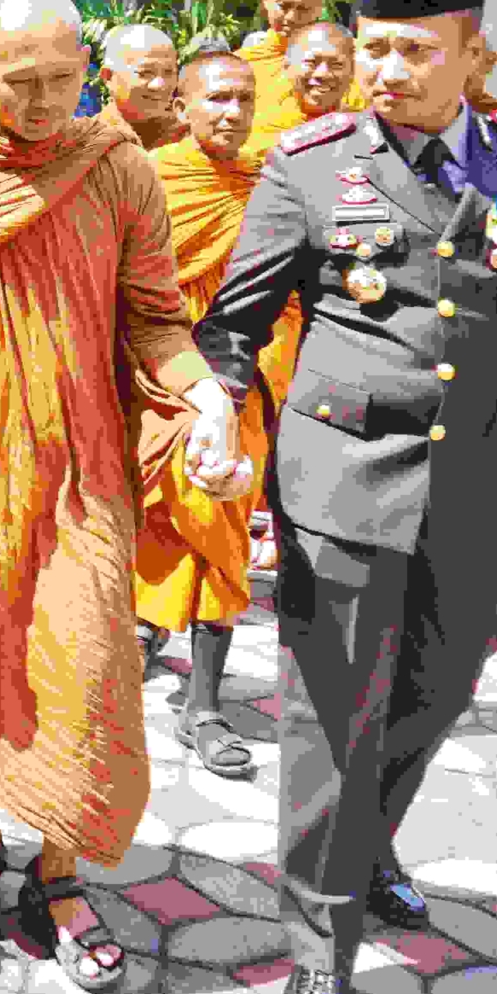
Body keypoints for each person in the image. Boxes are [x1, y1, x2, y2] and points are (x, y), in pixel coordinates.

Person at [194, 0, 497, 994]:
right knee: (333, 717)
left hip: (472, 482)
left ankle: (363, 844)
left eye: (413, 49)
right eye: (372, 47)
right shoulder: (310, 163)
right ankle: (319, 945)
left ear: (473, 54)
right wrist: (219, 404)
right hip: (341, 481)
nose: (384, 69)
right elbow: (233, 323)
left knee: (443, 682)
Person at [0, 0, 243, 988]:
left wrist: (205, 399)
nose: (42, 102)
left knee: (83, 665)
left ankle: (61, 868)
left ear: (89, 70)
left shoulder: (118, 169)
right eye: (19, 81)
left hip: (81, 468)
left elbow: (156, 319)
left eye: (62, 79)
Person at [131, 52, 294, 779]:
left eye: (245, 99)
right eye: (217, 98)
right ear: (182, 107)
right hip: (159, 375)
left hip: (242, 377)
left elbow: (293, 286)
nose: (233, 112)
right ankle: (145, 628)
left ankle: (203, 705)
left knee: (222, 531)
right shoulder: (152, 176)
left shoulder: (274, 181)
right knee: (155, 523)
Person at [242, 0, 343, 149]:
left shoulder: (342, 62)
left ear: (320, 7)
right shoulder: (242, 63)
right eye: (284, 6)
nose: (291, 17)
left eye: (303, 8)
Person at [96, 23, 187, 151]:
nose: (159, 85)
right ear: (108, 77)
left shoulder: (189, 137)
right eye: (145, 73)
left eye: (169, 72)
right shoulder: (87, 141)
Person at [286, 22, 360, 126]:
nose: (323, 74)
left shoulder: (363, 125)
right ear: (287, 66)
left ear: (352, 71)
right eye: (311, 62)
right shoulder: (266, 126)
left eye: (336, 64)